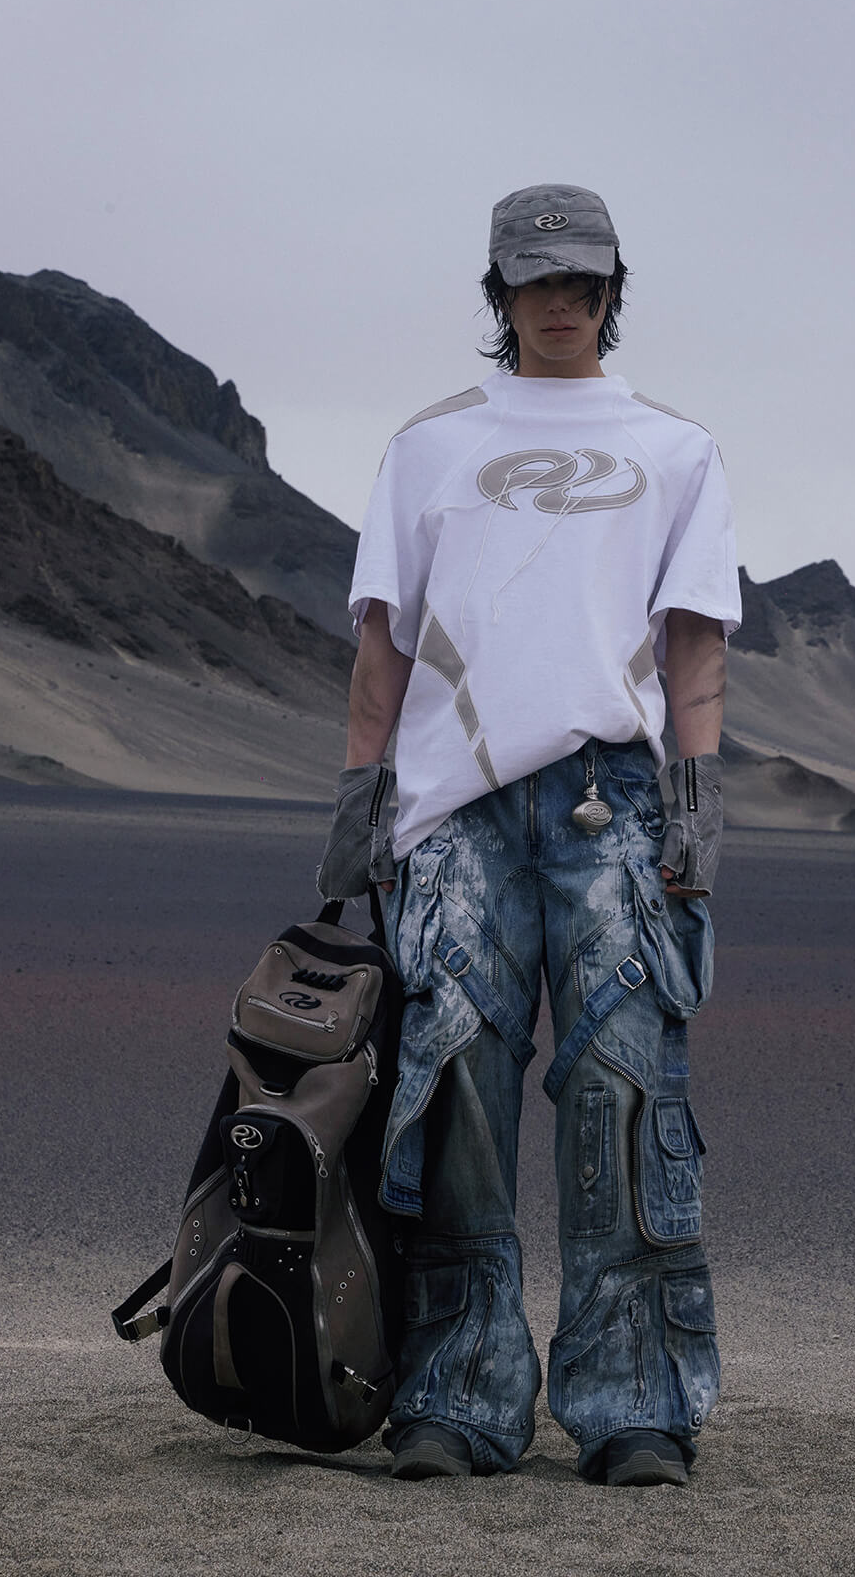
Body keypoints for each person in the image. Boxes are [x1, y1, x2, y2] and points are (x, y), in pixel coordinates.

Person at [319, 183, 741, 1486]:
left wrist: (697, 799)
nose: (561, 300)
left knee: (623, 1081)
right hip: (454, 811)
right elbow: (384, 641)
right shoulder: (429, 447)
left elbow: (695, 642)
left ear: (615, 287)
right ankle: (457, 1395)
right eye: (535, 279)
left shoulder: (677, 451)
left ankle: (636, 1403)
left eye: (582, 278)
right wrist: (360, 801)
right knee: (455, 1087)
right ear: (498, 291)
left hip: (613, 800)